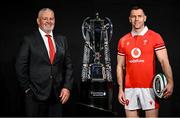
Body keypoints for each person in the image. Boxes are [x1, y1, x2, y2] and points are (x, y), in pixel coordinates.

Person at [15, 8, 73, 117]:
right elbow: (20, 66)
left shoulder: (62, 40)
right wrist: (27, 89)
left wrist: (67, 87)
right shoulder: (29, 40)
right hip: (35, 96)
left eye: (51, 18)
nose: (48, 21)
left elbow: (68, 66)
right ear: (38, 21)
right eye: (45, 18)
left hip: (57, 96)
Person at [116, 6, 174, 117]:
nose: (136, 19)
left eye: (139, 16)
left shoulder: (155, 37)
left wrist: (170, 82)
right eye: (133, 16)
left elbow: (164, 61)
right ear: (129, 19)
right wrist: (120, 89)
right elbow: (120, 66)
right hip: (129, 89)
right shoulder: (123, 41)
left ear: (145, 18)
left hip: (149, 88)